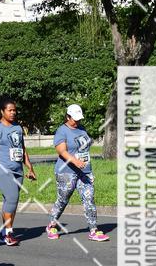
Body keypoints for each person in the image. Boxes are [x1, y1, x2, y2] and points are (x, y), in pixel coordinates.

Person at [46, 104, 109, 242]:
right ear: (67, 117)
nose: (77, 121)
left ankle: (93, 230)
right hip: (66, 172)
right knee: (63, 200)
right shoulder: (62, 131)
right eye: (75, 119)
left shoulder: (82, 129)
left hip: (84, 172)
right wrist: (76, 162)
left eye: (79, 118)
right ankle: (51, 225)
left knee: (89, 199)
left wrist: (86, 167)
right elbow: (62, 151)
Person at [0, 97, 36, 246]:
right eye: (10, 110)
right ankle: (9, 233)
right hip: (3, 170)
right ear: (2, 111)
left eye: (14, 110)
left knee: (11, 202)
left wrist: (30, 167)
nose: (13, 113)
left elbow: (22, 149)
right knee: (12, 198)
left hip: (17, 170)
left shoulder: (18, 128)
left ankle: (5, 232)